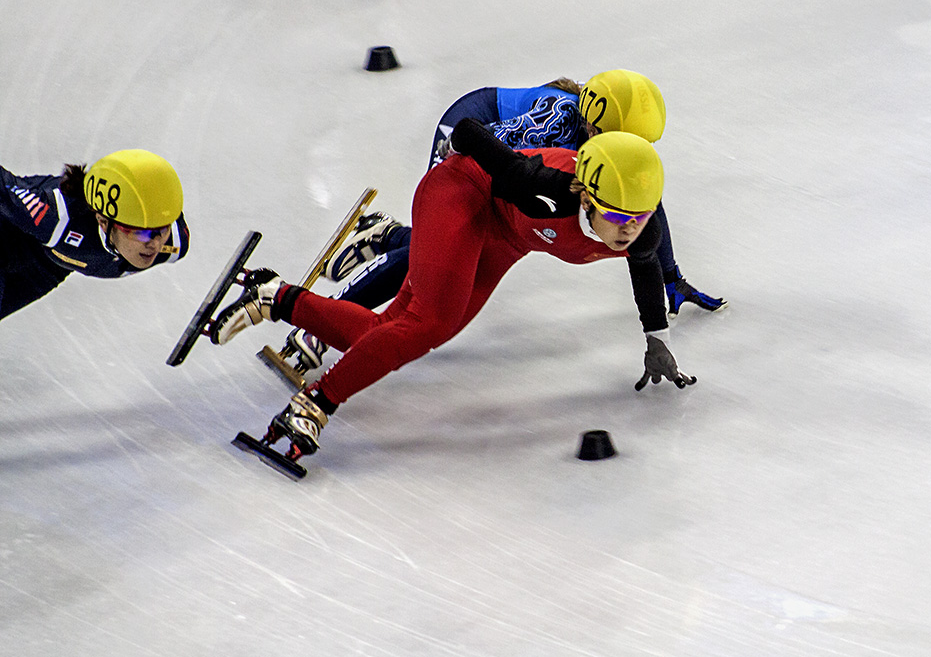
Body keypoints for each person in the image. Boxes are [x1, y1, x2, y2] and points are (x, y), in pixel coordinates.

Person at [210, 119, 691, 466]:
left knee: (400, 332)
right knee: (426, 323)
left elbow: (645, 271)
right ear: (585, 196)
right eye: (618, 216)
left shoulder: (644, 231)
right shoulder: (544, 188)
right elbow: (466, 132)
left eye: (640, 217)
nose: (629, 230)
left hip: (505, 238)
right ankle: (315, 404)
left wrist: (657, 339)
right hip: (461, 193)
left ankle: (273, 296)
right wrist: (485, 151)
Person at [282, 70, 725, 372]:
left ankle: (385, 234)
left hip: (502, 152)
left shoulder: (604, 145)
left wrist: (669, 274)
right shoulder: (554, 122)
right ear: (591, 125)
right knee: (438, 256)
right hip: (472, 132)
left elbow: (648, 206)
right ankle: (328, 324)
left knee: (454, 251)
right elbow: (480, 161)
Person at [1, 149, 189, 320]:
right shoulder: (55, 216)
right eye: (140, 233)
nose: (154, 245)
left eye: (162, 230)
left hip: (49, 268)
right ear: (104, 222)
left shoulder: (174, 244)